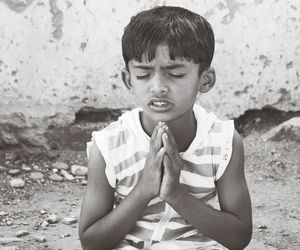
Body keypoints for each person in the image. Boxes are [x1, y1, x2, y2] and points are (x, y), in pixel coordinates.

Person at [79, 5, 252, 250]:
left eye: (176, 74)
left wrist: (175, 194)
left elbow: (239, 237)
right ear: (129, 79)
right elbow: (91, 241)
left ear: (206, 80)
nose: (158, 86)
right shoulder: (108, 147)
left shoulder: (222, 143)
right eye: (143, 75)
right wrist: (144, 189)